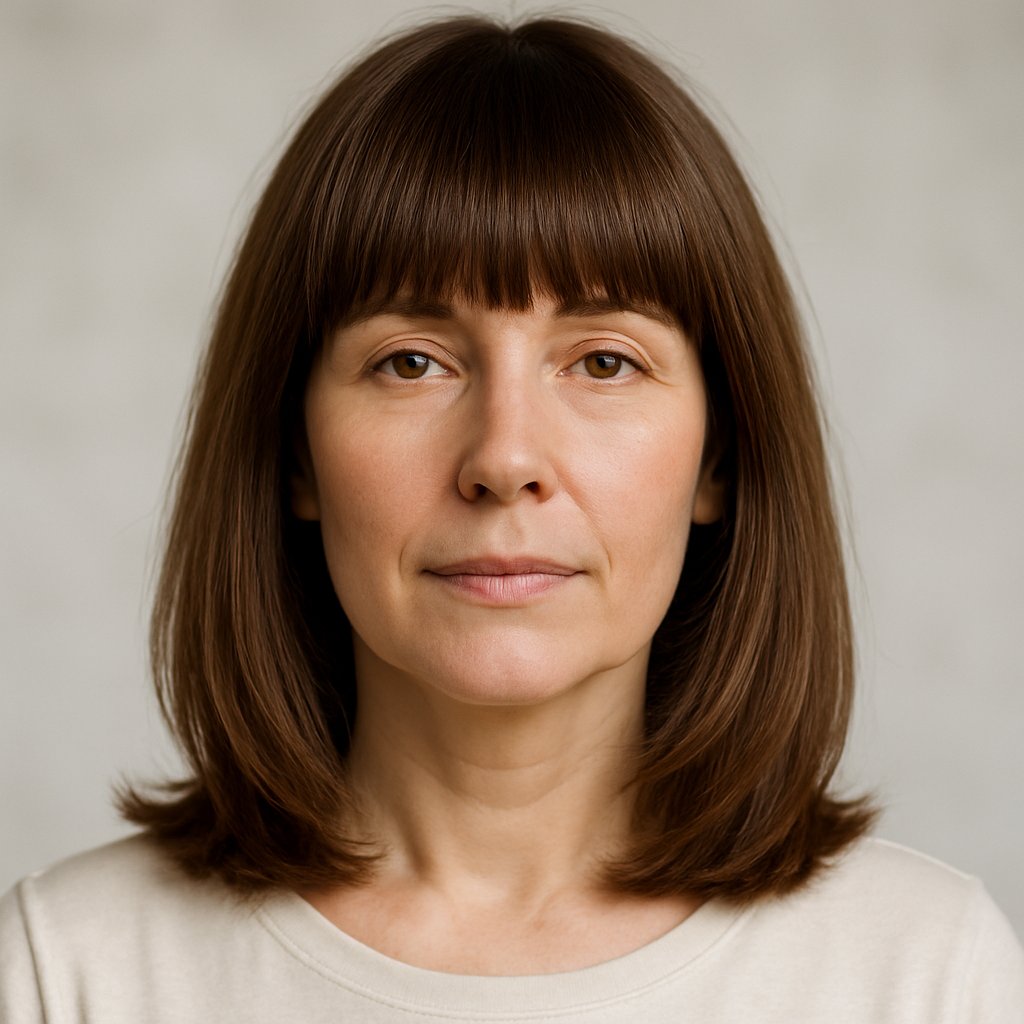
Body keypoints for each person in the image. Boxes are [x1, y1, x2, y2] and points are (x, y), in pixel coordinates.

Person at [1, 13, 1021, 1022]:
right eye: (411, 362)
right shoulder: (69, 974)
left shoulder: (927, 975)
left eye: (603, 361)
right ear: (291, 455)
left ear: (718, 458)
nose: (504, 458)